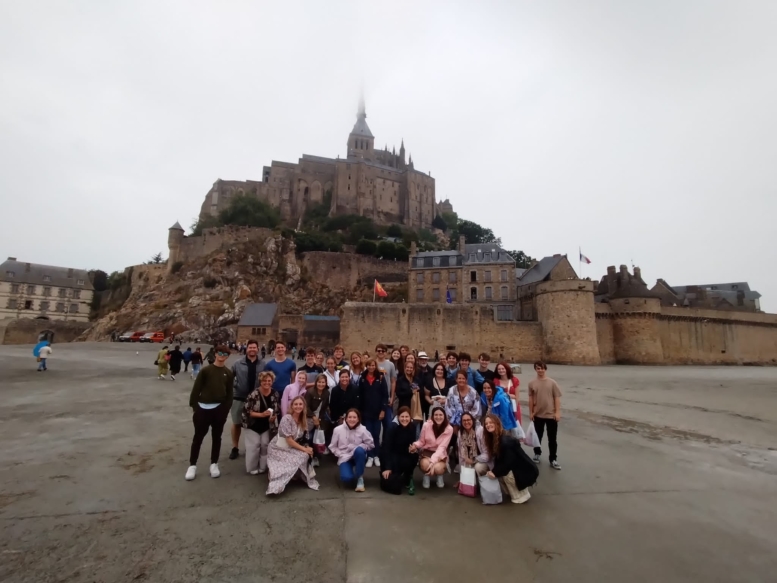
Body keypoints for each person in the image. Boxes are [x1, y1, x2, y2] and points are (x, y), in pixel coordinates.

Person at [186, 345, 233, 480]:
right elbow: (196, 389)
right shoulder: (206, 370)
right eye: (220, 353)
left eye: (225, 353)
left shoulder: (228, 373)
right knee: (198, 437)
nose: (222, 355)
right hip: (202, 408)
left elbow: (229, 393)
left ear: (227, 356)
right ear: (216, 354)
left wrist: (225, 410)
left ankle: (214, 464)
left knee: (216, 437)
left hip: (219, 409)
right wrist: (195, 407)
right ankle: (192, 465)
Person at [266, 396, 319, 495]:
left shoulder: (303, 420)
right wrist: (304, 449)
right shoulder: (287, 418)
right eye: (296, 404)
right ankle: (276, 476)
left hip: (291, 446)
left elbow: (304, 438)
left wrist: (307, 447)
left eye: (300, 404)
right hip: (279, 448)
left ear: (304, 406)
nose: (298, 406)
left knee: (305, 455)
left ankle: (294, 474)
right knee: (302, 455)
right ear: (292, 406)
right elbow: (289, 440)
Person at [482, 413, 538, 503]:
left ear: (497, 423)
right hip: (516, 468)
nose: (488, 425)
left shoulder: (505, 441)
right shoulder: (494, 439)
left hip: (525, 471)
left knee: (506, 474)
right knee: (498, 472)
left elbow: (508, 462)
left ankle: (522, 494)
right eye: (486, 424)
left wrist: (495, 472)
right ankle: (514, 491)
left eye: (491, 422)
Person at [228, 340, 263, 460]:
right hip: (239, 397)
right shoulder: (238, 363)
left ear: (257, 349)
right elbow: (229, 377)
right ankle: (235, 447)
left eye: (254, 347)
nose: (252, 349)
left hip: (256, 399)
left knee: (253, 424)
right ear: (246, 349)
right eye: (250, 347)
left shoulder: (262, 364)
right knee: (237, 423)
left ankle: (250, 447)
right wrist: (235, 386)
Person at [242, 371, 280, 474]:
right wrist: (261, 415)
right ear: (260, 381)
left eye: (269, 381)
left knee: (265, 445)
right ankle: (252, 467)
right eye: (264, 381)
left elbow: (276, 410)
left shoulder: (275, 393)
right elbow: (247, 411)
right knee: (254, 446)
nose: (267, 383)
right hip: (253, 424)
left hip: (267, 425)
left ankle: (263, 466)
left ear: (272, 381)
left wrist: (273, 417)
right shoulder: (253, 394)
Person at [528, 360, 562, 470]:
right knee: (537, 437)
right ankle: (537, 453)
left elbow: (556, 398)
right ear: (535, 369)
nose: (540, 370)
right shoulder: (532, 383)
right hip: (538, 415)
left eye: (542, 368)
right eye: (538, 368)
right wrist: (531, 412)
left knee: (552, 439)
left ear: (545, 369)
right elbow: (531, 398)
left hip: (551, 415)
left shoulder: (552, 383)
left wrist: (557, 412)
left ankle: (553, 459)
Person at [328, 409, 372, 491]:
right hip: (344, 457)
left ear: (358, 419)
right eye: (350, 417)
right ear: (346, 418)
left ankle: (360, 478)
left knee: (359, 450)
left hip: (358, 456)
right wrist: (340, 454)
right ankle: (349, 472)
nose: (352, 419)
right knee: (346, 478)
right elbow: (332, 446)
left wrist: (358, 447)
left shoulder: (363, 429)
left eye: (354, 417)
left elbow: (370, 445)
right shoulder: (337, 430)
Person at [411, 405, 453, 489]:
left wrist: (433, 462)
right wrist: (415, 445)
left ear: (444, 416)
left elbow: (442, 447)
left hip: (440, 454)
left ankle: (439, 476)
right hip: (427, 452)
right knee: (425, 464)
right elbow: (421, 441)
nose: (438, 417)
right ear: (432, 416)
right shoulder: (426, 425)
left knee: (438, 468)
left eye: (440, 415)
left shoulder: (449, 429)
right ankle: (426, 477)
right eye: (436, 415)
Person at [380, 406, 420, 495]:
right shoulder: (392, 428)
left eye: (407, 417)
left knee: (414, 456)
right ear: (398, 417)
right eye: (402, 417)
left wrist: (413, 448)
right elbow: (386, 448)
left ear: (410, 417)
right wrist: (387, 468)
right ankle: (393, 473)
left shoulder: (413, 427)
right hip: (392, 456)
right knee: (394, 486)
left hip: (404, 455)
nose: (404, 419)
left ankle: (408, 476)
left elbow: (413, 443)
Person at [357, 359, 389, 468]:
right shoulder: (362, 378)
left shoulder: (380, 378)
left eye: (373, 365)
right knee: (368, 435)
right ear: (366, 366)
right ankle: (370, 456)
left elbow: (385, 395)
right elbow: (360, 395)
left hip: (377, 412)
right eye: (369, 365)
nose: (371, 367)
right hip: (366, 412)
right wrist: (359, 411)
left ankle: (376, 456)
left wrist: (383, 410)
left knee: (376, 434)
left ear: (375, 366)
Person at [304, 373, 330, 467]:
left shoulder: (327, 393)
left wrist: (319, 418)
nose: (321, 384)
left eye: (323, 382)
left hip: (320, 418)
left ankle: (316, 456)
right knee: (309, 437)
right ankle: (308, 456)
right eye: (319, 382)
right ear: (316, 382)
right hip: (309, 417)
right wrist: (313, 417)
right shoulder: (310, 392)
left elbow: (325, 407)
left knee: (318, 437)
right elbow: (306, 407)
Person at [374, 344, 397, 432]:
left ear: (386, 353)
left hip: (386, 399)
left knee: (388, 425)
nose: (381, 352)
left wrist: (392, 397)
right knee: (376, 426)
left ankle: (386, 444)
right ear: (376, 352)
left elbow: (393, 381)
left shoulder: (390, 364)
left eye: (383, 351)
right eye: (379, 351)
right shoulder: (373, 363)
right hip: (375, 399)